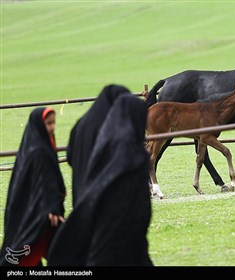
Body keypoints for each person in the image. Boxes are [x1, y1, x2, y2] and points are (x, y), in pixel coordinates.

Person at [48, 94, 153, 266]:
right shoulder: (126, 153)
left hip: (86, 198)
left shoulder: (88, 128)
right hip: (118, 230)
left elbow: (70, 158)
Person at [0, 107, 66, 266]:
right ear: (39, 124)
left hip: (36, 213)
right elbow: (46, 181)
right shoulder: (39, 151)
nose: (52, 127)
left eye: (53, 123)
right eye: (48, 123)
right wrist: (53, 207)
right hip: (41, 216)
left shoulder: (33, 145)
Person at [67, 84, 130, 207]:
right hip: (105, 196)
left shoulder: (81, 123)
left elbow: (70, 157)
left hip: (81, 192)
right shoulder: (111, 127)